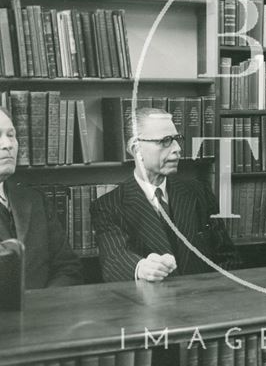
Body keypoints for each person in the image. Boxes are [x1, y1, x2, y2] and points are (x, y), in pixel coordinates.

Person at [91, 107, 240, 282]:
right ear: (136, 148)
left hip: (204, 301)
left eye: (177, 139)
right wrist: (141, 268)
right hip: (149, 304)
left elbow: (228, 258)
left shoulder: (199, 192)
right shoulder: (108, 206)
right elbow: (114, 260)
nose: (177, 149)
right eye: (165, 141)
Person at [0, 108, 82, 289]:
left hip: (46, 312)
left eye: (11, 135)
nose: (8, 144)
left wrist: (42, 306)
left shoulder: (35, 200)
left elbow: (68, 267)